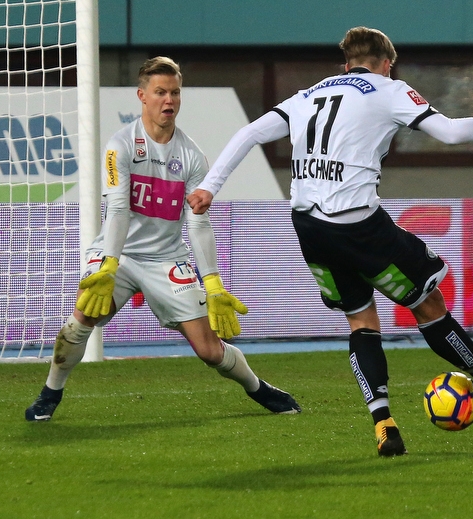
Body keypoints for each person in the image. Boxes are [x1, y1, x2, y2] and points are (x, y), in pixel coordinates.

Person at [187, 27, 473, 457]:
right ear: (387, 63)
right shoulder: (388, 89)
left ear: (345, 64)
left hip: (308, 227)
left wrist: (210, 187)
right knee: (427, 303)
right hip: (358, 225)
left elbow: (249, 134)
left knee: (361, 321)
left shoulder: (308, 94)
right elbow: (451, 133)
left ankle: (384, 423)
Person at [25, 57, 299, 422]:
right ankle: (50, 392)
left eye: (174, 92)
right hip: (117, 256)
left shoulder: (193, 157)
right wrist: (109, 263)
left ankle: (258, 388)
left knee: (209, 350)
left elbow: (198, 224)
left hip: (167, 259)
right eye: (160, 92)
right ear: (142, 96)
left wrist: (213, 282)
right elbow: (118, 211)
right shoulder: (119, 146)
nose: (168, 100)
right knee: (84, 315)